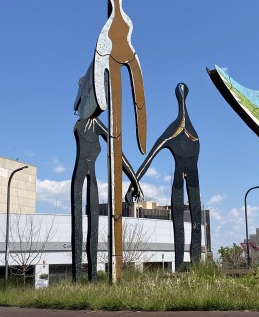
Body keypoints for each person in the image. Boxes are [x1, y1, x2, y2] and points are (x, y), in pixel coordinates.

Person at [71, 65, 141, 281]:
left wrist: (134, 181)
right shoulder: (79, 125)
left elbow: (118, 152)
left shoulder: (98, 126)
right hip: (80, 176)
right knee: (78, 227)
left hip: (91, 177)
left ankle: (93, 279)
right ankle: (77, 280)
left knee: (94, 227)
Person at [127, 83, 201, 271]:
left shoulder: (184, 130)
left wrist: (133, 185)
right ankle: (181, 265)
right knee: (180, 222)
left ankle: (196, 266)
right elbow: (149, 158)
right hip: (182, 179)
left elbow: (149, 158)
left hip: (192, 180)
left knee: (195, 221)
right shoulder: (173, 131)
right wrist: (133, 185)